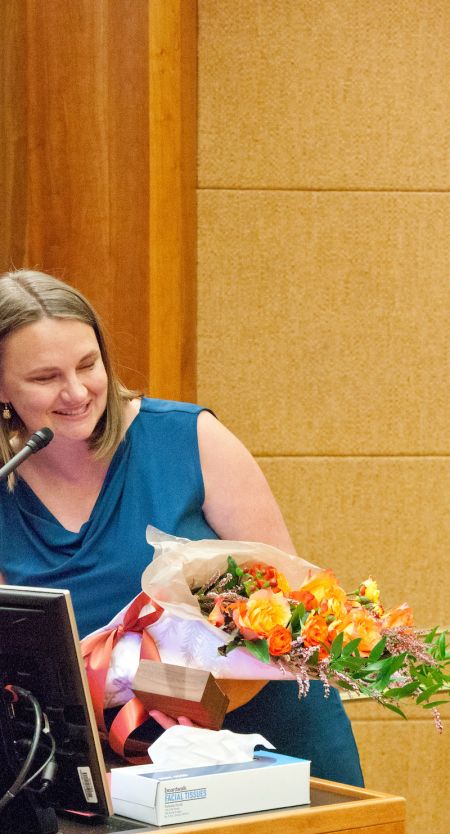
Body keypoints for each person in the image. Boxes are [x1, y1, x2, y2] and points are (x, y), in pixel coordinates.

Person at [0, 269, 363, 786]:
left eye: (88, 364)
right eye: (45, 378)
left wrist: (191, 698)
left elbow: (296, 602)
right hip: (116, 759)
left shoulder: (190, 439)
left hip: (265, 736)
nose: (77, 391)